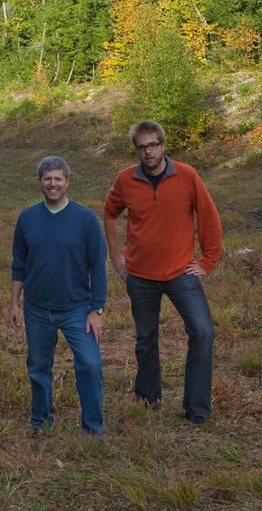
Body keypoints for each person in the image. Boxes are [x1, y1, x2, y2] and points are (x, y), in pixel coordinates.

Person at [104, 120, 222, 423]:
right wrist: (117, 258)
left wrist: (208, 260)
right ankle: (148, 400)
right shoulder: (125, 180)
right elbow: (109, 212)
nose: (148, 151)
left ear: (163, 145)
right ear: (136, 150)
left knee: (203, 331)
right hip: (140, 276)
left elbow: (208, 216)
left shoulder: (187, 175)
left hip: (181, 273)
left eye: (153, 144)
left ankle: (196, 409)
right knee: (146, 339)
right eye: (142, 147)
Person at [9, 156, 107, 436]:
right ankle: (41, 421)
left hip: (77, 308)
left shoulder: (85, 219)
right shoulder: (27, 217)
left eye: (58, 179)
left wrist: (97, 310)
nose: (53, 184)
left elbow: (97, 266)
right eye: (47, 179)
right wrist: (15, 303)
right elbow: (19, 263)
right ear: (40, 182)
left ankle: (92, 428)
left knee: (90, 363)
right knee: (39, 366)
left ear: (67, 182)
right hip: (37, 308)